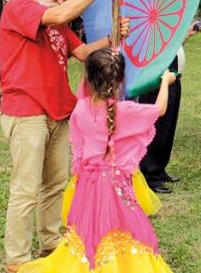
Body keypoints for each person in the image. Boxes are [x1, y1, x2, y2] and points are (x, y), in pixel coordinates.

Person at [0, 0, 130, 271]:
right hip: (26, 110)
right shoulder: (19, 7)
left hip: (58, 111)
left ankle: (50, 243)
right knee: (25, 189)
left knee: (55, 184)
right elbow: (58, 14)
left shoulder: (58, 24)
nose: (59, 1)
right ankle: (17, 260)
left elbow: (85, 53)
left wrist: (112, 39)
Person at [18, 48, 175, 272]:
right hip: (116, 184)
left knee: (89, 230)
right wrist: (165, 82)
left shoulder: (80, 109)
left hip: (87, 184)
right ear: (121, 79)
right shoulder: (125, 110)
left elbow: (79, 153)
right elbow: (159, 110)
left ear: (88, 78)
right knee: (125, 226)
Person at [139, 26, 198, 194]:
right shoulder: (151, 29)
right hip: (158, 83)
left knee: (168, 128)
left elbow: (172, 47)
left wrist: (185, 35)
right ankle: (150, 175)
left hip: (173, 80)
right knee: (158, 129)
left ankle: (159, 168)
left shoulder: (166, 28)